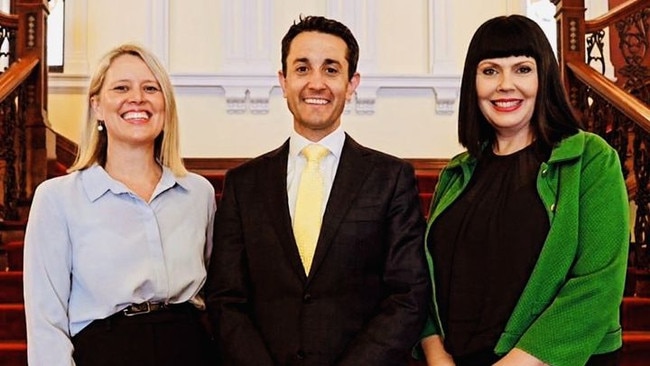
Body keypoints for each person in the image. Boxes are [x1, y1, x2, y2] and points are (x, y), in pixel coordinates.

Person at [205, 15, 430, 366]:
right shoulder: (244, 184)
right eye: (302, 68)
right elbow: (225, 298)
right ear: (283, 81)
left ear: (352, 83)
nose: (316, 83)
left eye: (330, 69)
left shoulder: (391, 178)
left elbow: (407, 295)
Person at [418, 15, 629, 366]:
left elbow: (597, 286)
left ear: (543, 77)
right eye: (489, 71)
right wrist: (438, 358)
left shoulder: (590, 159)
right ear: (473, 83)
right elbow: (423, 284)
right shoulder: (456, 174)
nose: (505, 84)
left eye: (522, 69)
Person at [23, 44, 217, 366]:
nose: (137, 98)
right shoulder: (57, 199)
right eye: (121, 88)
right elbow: (46, 323)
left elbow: (214, 297)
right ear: (97, 106)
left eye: (151, 88)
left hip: (190, 349)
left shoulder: (198, 194)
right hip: (106, 351)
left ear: (165, 105)